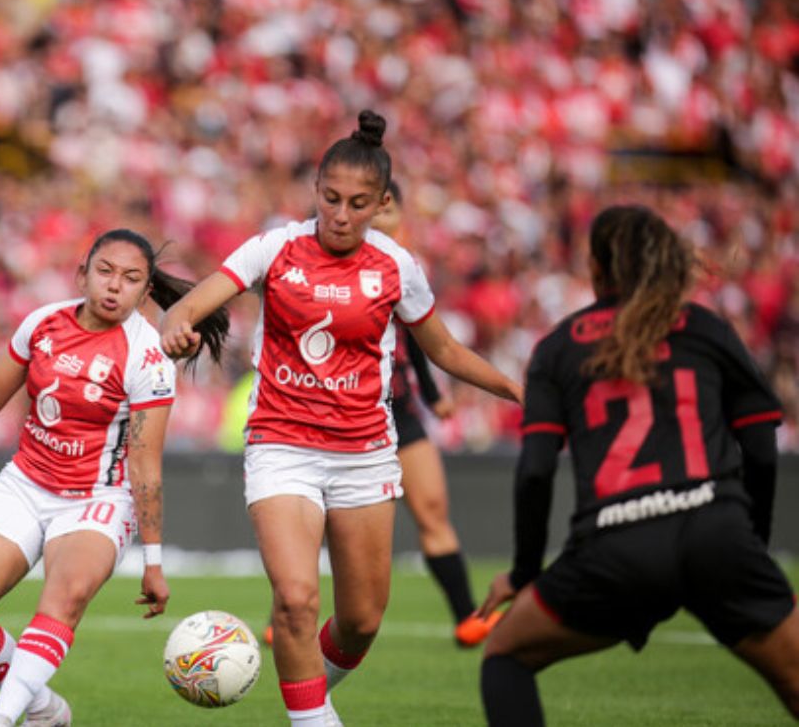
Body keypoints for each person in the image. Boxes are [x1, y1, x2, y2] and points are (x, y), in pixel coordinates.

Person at [161, 110, 523, 727]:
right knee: (297, 600)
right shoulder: (274, 248)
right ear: (315, 191)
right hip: (282, 446)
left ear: (382, 203)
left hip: (365, 454)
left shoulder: (395, 266)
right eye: (331, 198)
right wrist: (178, 328)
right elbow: (194, 303)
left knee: (361, 621)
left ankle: (310, 697)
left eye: (359, 203)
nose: (342, 214)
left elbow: (445, 352)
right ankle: (313, 720)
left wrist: (519, 389)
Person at [478, 205, 799, 725]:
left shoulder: (558, 348)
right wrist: (749, 546)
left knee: (506, 657)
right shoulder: (704, 327)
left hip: (615, 548)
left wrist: (522, 574)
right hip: (717, 535)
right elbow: (761, 448)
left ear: (598, 269)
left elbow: (535, 471)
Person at [0, 228, 228, 727]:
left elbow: (145, 462)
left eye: (131, 278)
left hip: (98, 499)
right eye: (106, 272)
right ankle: (45, 710)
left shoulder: (147, 356)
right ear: (84, 273)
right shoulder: (42, 323)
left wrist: (153, 559)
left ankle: (1, 720)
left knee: (62, 597)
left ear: (145, 291)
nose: (115, 286)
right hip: (25, 484)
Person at [375, 181, 498, 647]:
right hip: (342, 411)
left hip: (400, 409)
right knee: (324, 519)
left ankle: (467, 616)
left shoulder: (404, 269)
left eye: (388, 211)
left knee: (431, 511)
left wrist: (429, 392)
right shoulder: (331, 263)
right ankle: (283, 615)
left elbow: (421, 339)